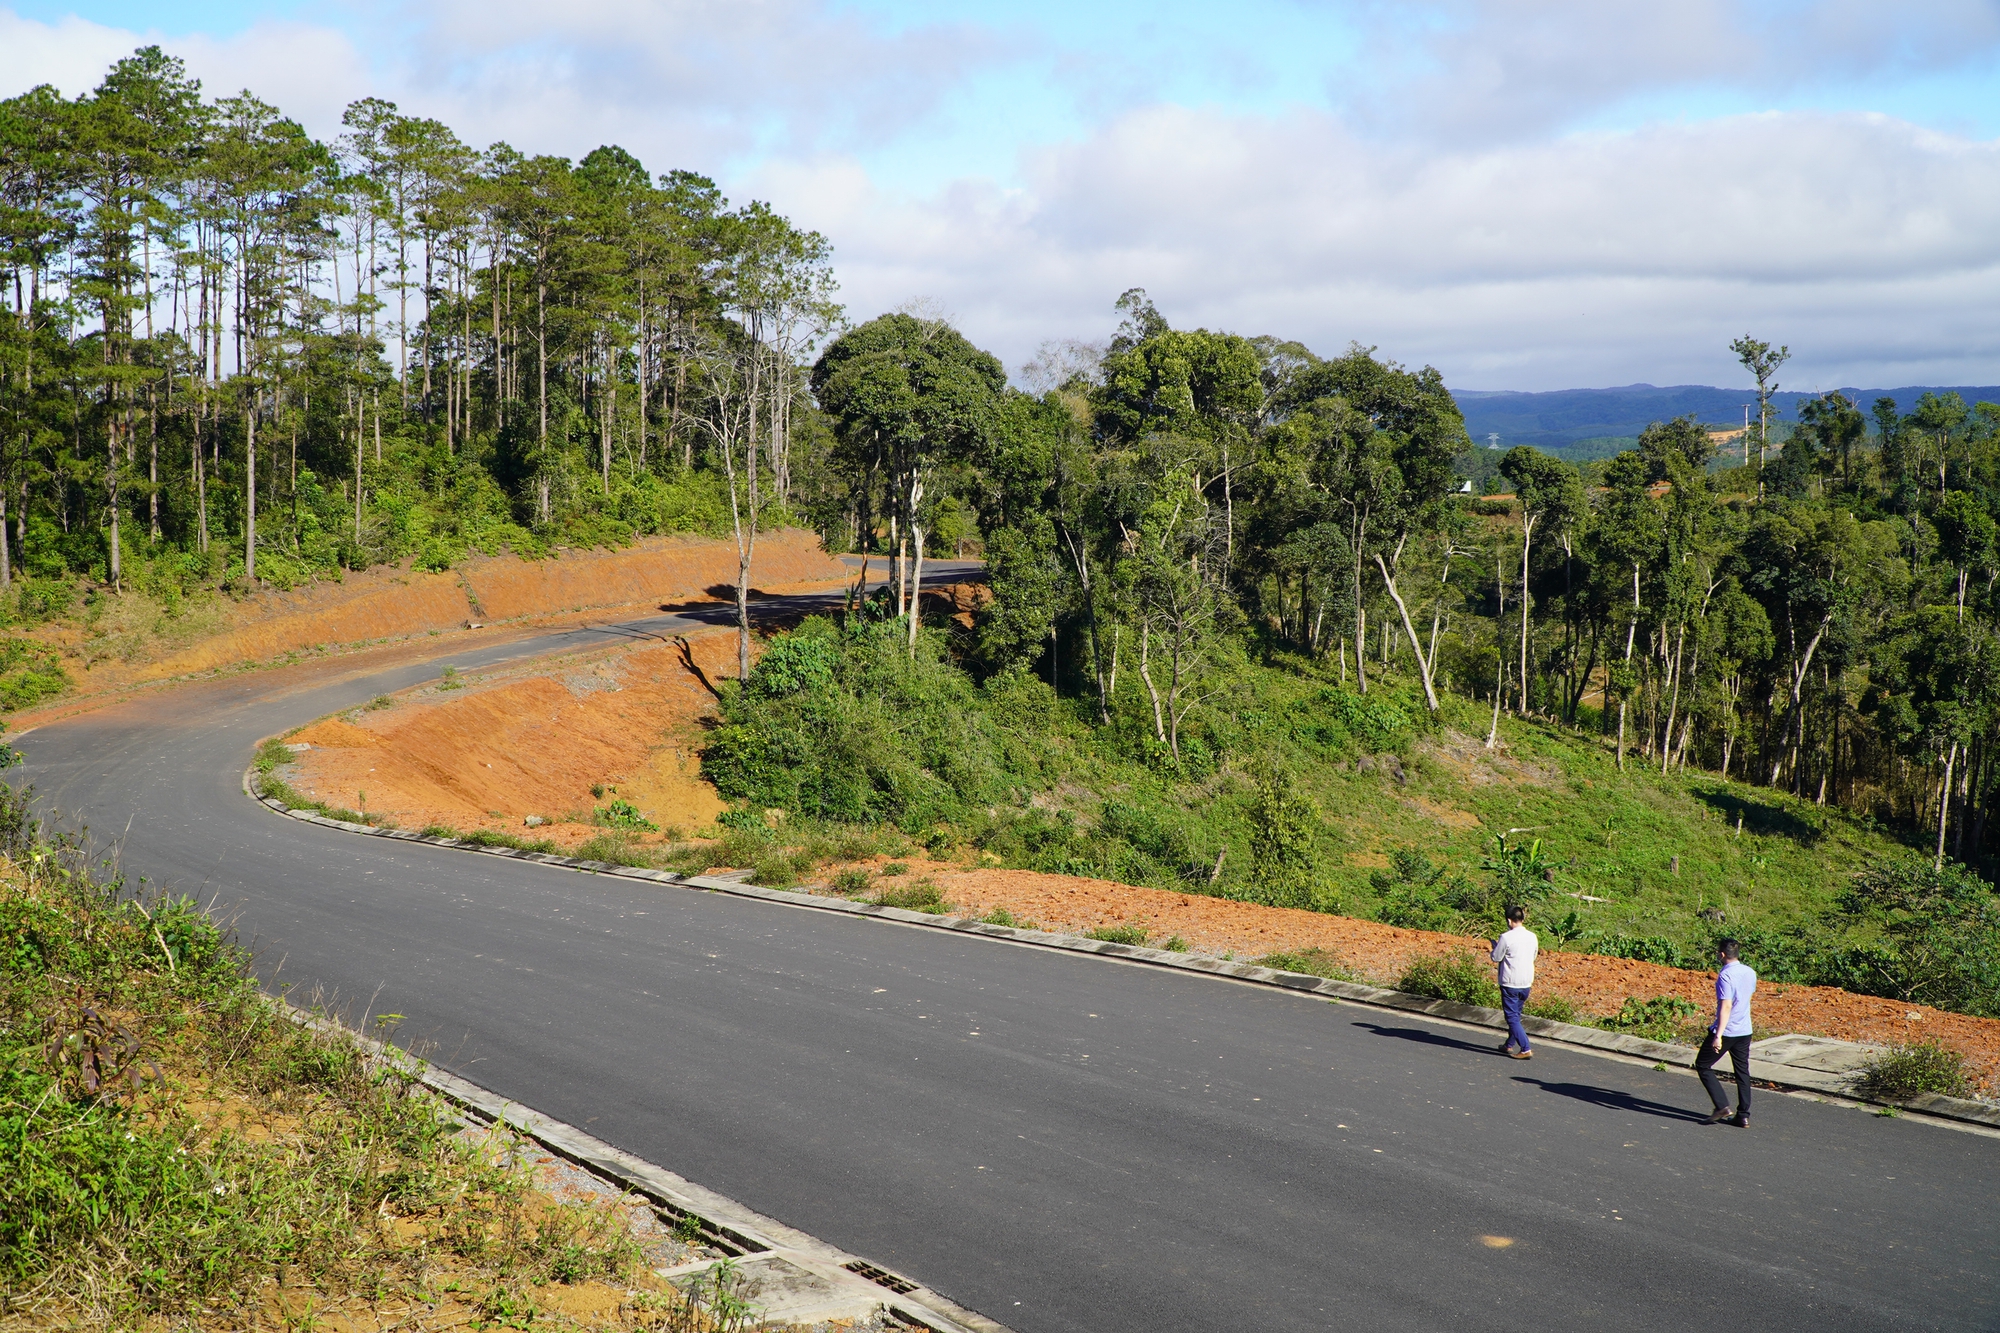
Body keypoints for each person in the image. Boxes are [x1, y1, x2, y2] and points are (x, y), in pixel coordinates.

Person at [1696, 938, 1757, 1128]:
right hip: (1745, 1030)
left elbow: (1726, 1005)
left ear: (1722, 954)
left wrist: (1718, 1035)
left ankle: (1722, 1106)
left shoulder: (1725, 976)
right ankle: (1743, 1115)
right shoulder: (1750, 972)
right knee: (1742, 1072)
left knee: (1703, 1065)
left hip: (1728, 1031)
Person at [1490, 903, 1537, 1059]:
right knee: (1516, 1015)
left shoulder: (1506, 937)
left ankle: (1525, 1048)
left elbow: (1496, 957)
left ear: (1509, 921)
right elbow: (1534, 956)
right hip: (1526, 982)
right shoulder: (1532, 936)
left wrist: (1494, 948)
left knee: (1511, 1017)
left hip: (1510, 982)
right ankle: (1509, 1044)